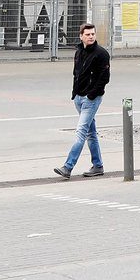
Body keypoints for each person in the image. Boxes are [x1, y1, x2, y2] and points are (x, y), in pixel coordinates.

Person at [53, 23, 111, 180]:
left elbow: (104, 78)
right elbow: (76, 73)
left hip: (91, 99)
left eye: (93, 34)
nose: (91, 36)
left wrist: (92, 95)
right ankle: (98, 165)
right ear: (81, 36)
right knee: (91, 133)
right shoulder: (79, 51)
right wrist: (75, 94)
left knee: (81, 132)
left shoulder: (102, 54)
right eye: (87, 34)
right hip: (79, 98)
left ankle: (68, 167)